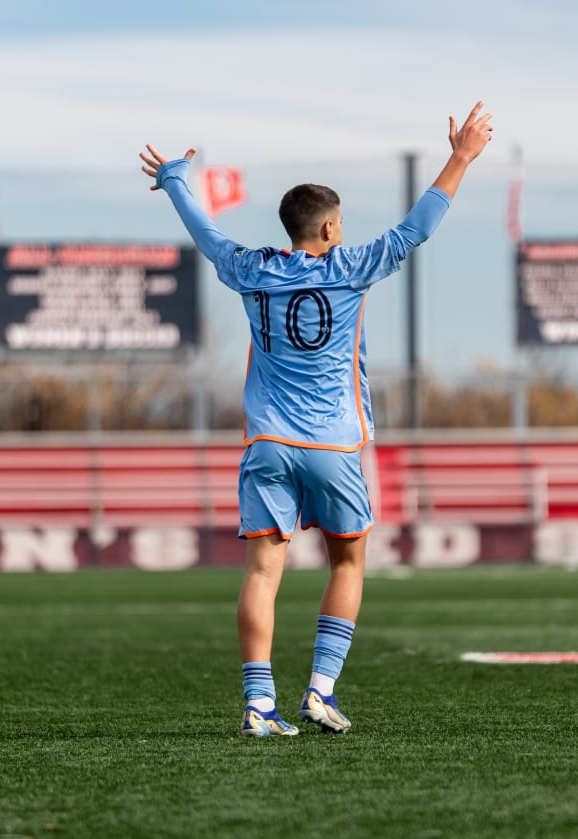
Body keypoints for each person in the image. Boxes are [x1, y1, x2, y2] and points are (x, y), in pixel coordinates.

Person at [140, 101, 493, 736]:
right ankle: (320, 691)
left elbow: (204, 233)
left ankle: (257, 706)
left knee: (262, 573)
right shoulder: (352, 267)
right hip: (334, 445)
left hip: (269, 441)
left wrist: (174, 181)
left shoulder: (252, 268)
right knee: (349, 564)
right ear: (329, 229)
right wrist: (462, 156)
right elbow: (418, 227)